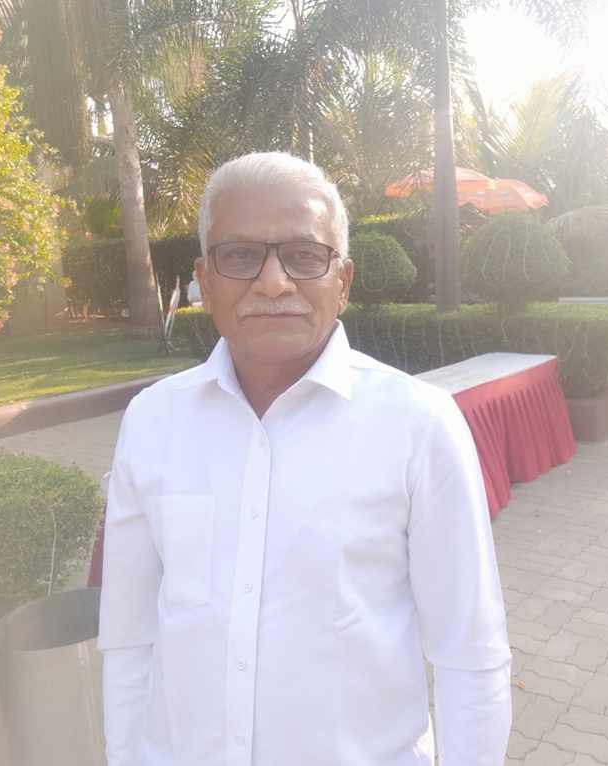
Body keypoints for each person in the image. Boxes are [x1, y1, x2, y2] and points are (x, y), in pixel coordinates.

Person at [97, 152, 511, 766]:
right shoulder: (152, 421)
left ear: (342, 281)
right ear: (204, 279)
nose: (273, 283)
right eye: (241, 255)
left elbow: (469, 655)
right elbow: (130, 638)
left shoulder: (418, 425)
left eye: (304, 255)